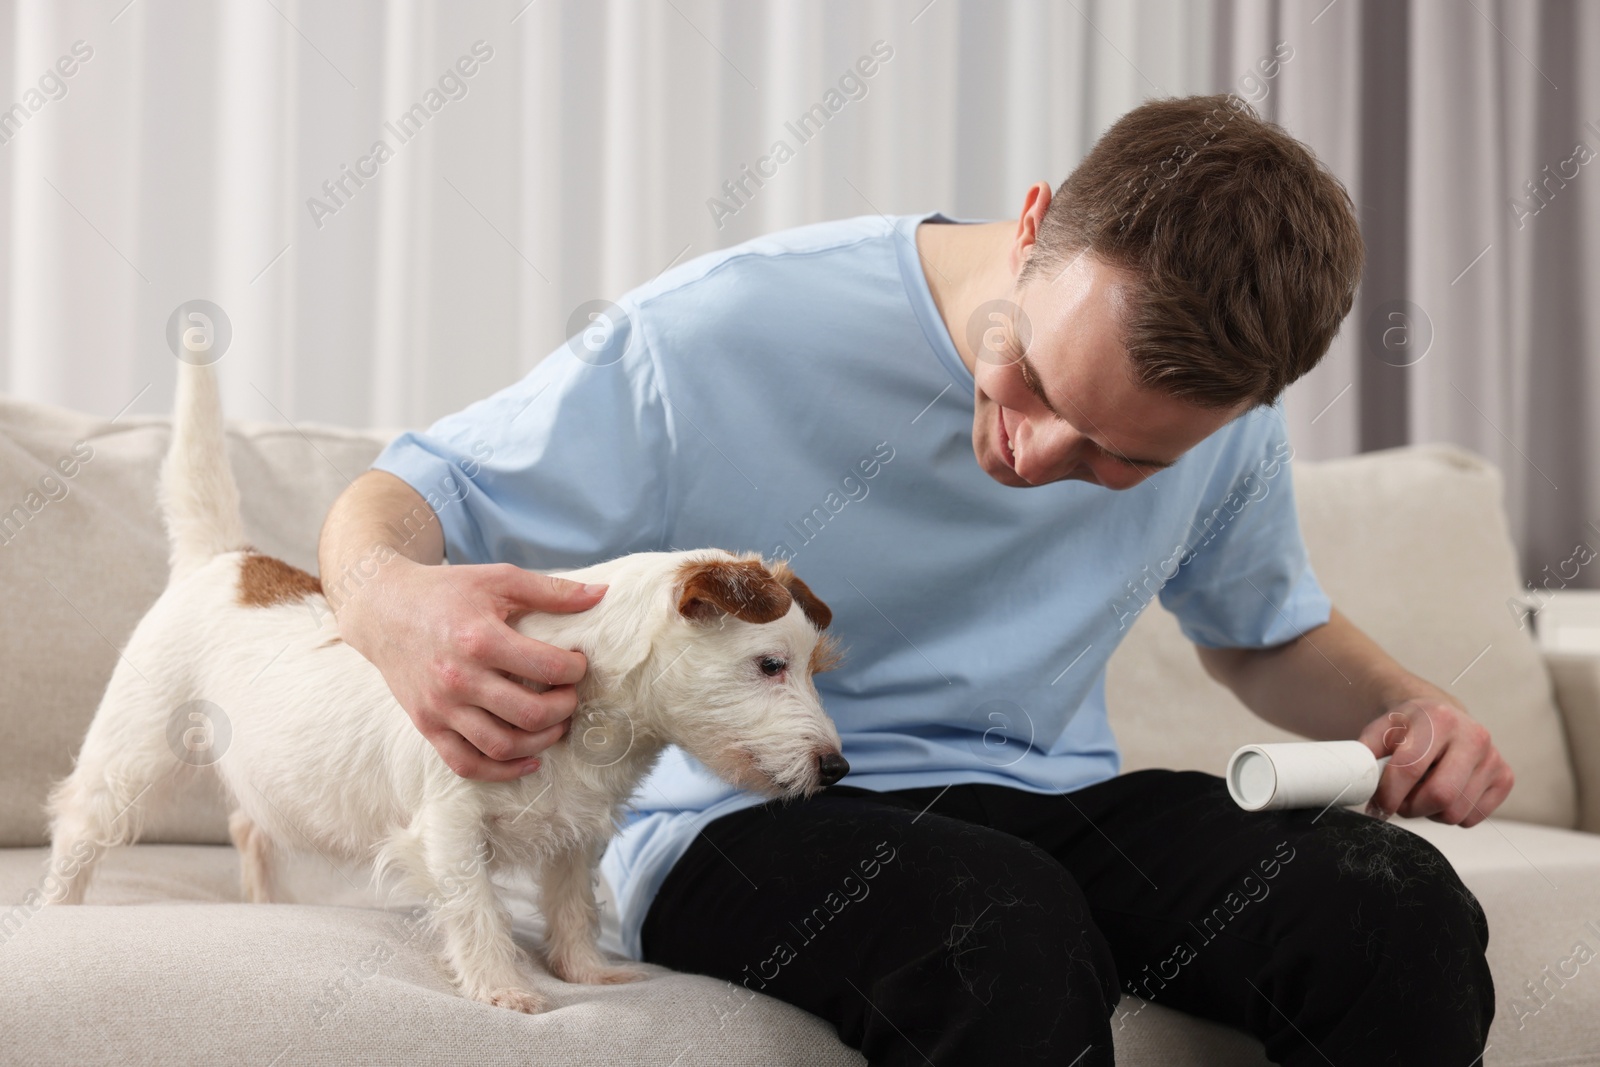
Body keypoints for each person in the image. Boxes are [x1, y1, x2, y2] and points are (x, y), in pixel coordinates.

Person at [318, 94, 1508, 1065]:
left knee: (1393, 905)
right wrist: (388, 605)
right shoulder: (723, 330)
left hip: (1047, 801)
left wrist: (1406, 709)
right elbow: (417, 494)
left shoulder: (1229, 424)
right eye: (1036, 382)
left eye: (1119, 459)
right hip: (742, 817)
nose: (1037, 458)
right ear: (1034, 225)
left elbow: (1261, 633)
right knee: (996, 928)